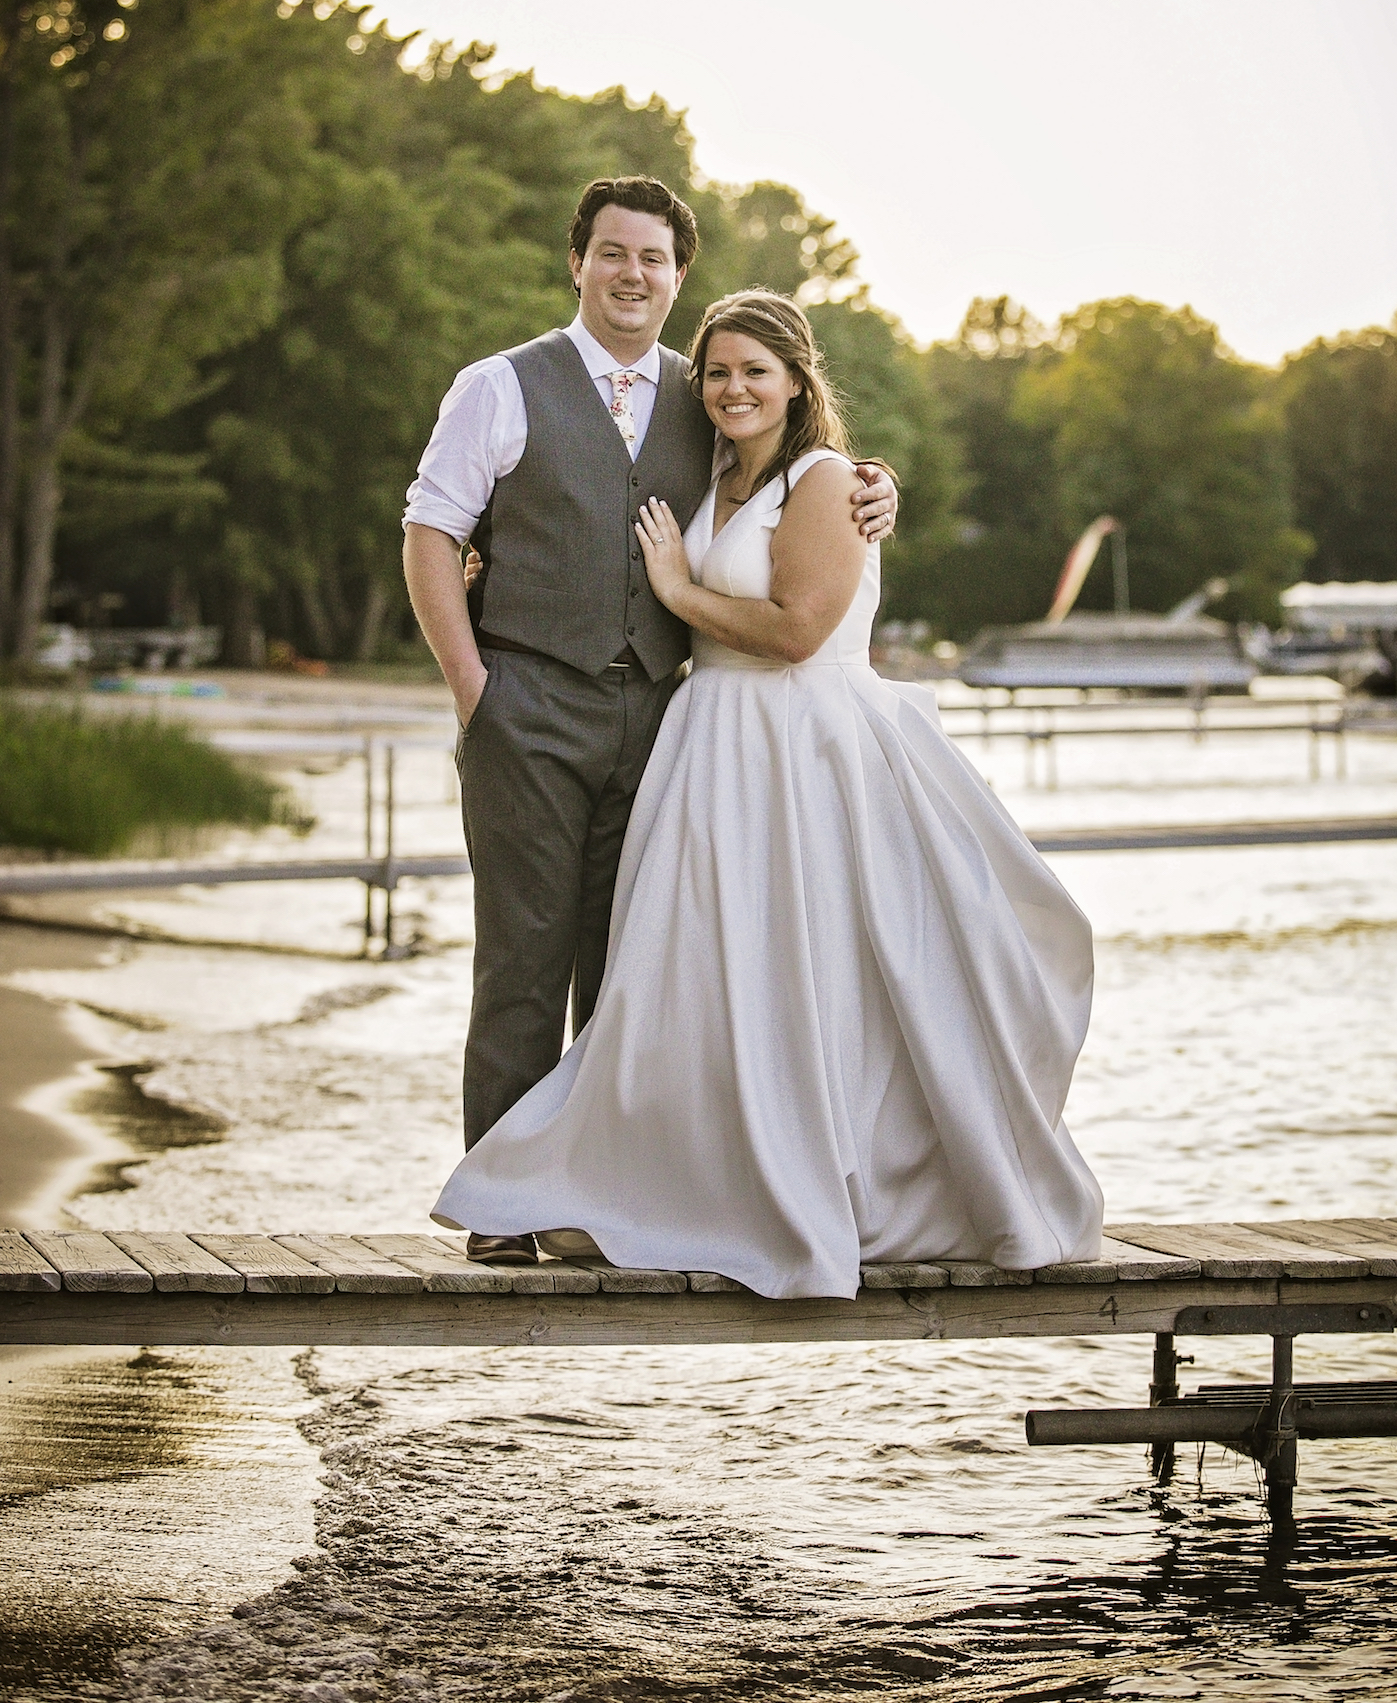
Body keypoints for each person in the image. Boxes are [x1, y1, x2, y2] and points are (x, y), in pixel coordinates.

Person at [434, 290, 1103, 1297]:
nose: (733, 388)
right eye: (717, 372)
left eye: (756, 370)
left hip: (807, 751)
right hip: (713, 744)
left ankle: (853, 1180)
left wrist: (683, 589)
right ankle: (666, 1180)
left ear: (799, 378)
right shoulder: (713, 469)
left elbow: (796, 630)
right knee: (706, 980)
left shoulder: (827, 479)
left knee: (829, 978)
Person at [403, 181, 897, 1266]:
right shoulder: (499, 385)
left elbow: (790, 468)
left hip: (664, 719)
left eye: (656, 259)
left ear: (679, 276)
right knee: (523, 959)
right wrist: (472, 686)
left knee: (633, 965)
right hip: (524, 704)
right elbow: (431, 533)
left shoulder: (705, 392)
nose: (634, 275)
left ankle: (602, 1194)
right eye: (614, 253)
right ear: (577, 261)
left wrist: (875, 484)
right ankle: (501, 1207)